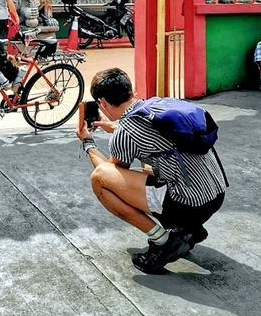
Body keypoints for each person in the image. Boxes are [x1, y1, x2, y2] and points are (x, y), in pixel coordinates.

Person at [77, 68, 227, 274]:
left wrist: (87, 142)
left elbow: (109, 173)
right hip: (215, 195)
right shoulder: (156, 105)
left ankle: (163, 240)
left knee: (98, 179)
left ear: (102, 103)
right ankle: (189, 229)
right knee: (149, 162)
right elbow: (153, 138)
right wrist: (114, 127)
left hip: (189, 205)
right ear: (130, 91)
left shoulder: (126, 132)